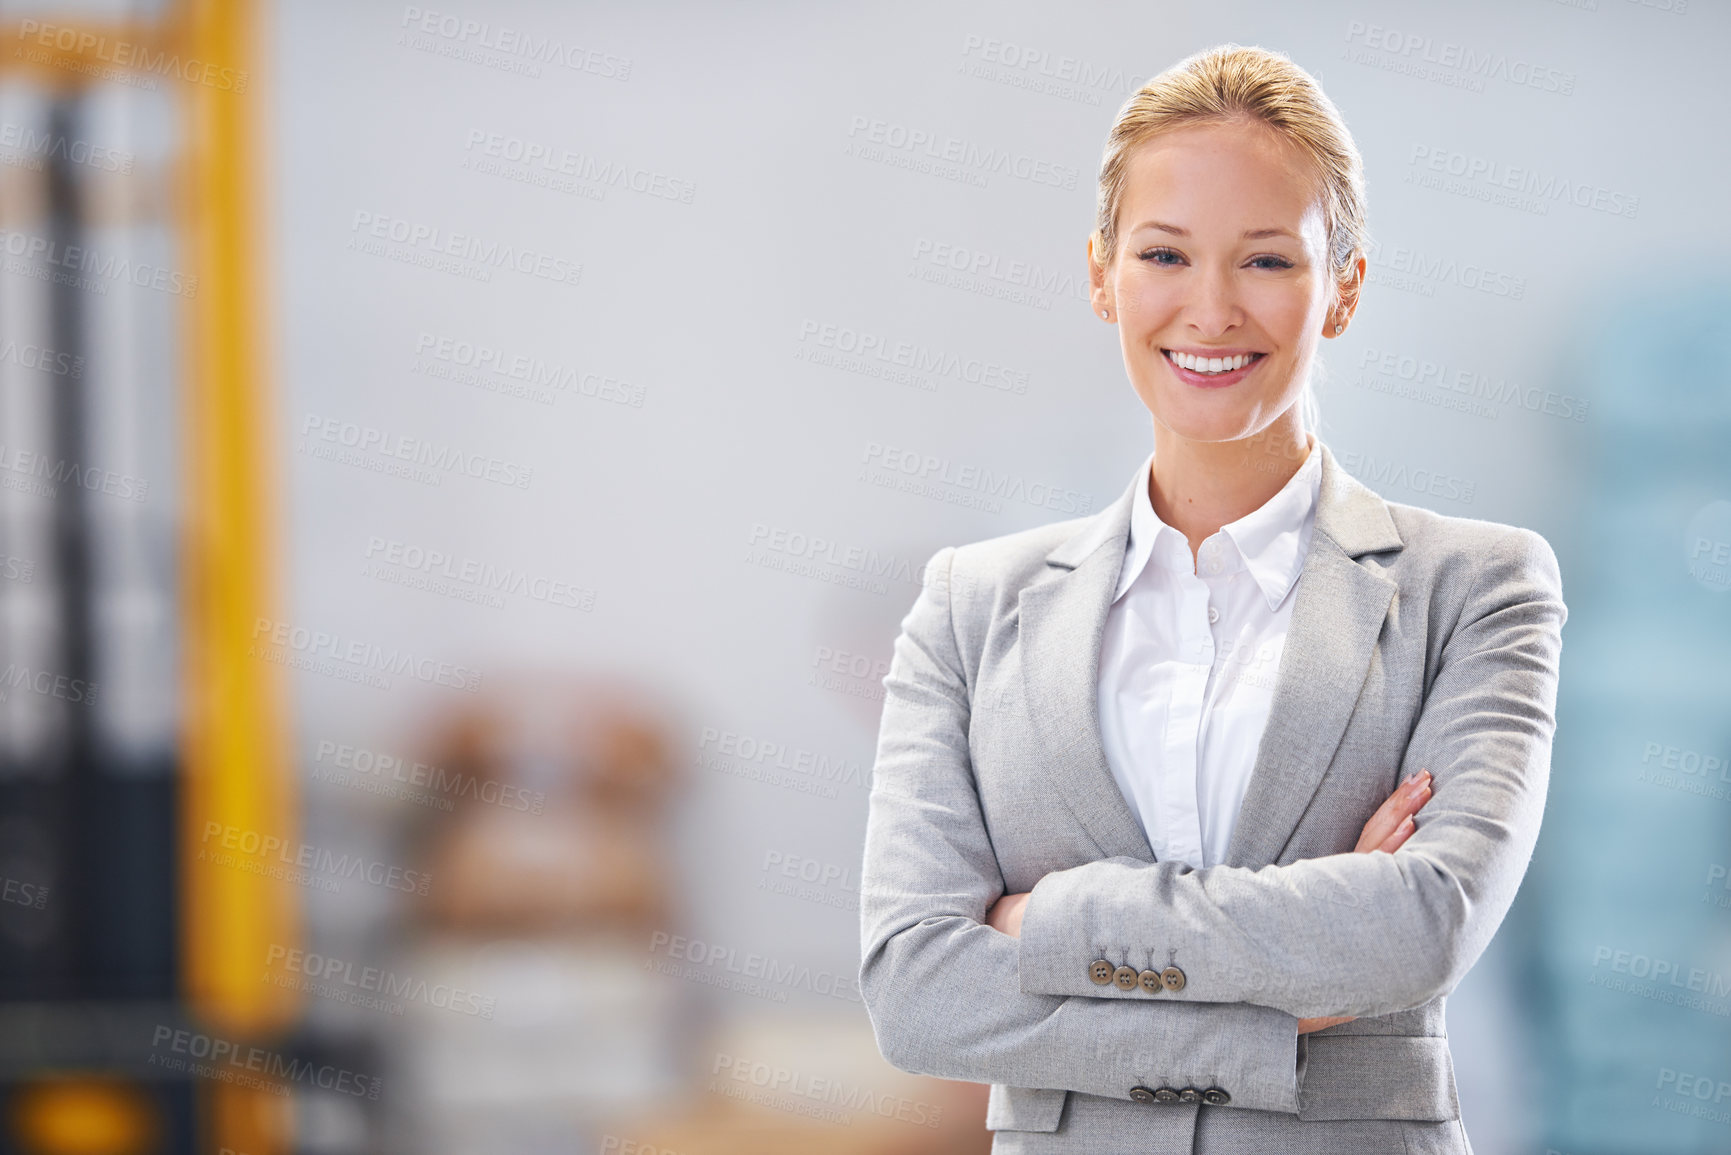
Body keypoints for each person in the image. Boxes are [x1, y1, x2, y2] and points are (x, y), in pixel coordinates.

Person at [857, 43, 1567, 1154]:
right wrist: (1278, 1013)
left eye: (1269, 261)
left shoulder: (1473, 588)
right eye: (1165, 254)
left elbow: (1422, 924)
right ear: (1102, 274)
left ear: (1346, 287)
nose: (1212, 307)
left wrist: (1041, 923)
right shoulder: (969, 606)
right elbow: (916, 989)